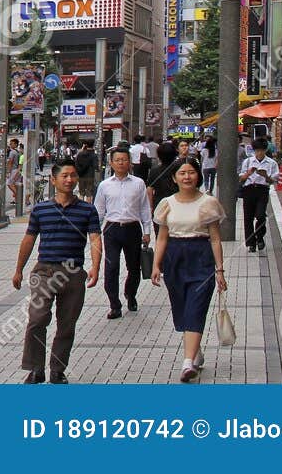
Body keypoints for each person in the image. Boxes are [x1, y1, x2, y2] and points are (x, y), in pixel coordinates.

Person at [12, 160, 101, 384]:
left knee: (67, 324)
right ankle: (35, 368)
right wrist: (18, 269)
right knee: (37, 319)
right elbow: (29, 238)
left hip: (73, 272)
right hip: (45, 271)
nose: (69, 180)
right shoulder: (41, 209)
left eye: (72, 175)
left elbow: (95, 240)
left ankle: (57, 370)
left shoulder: (87, 210)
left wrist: (96, 267)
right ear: (54, 180)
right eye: (64, 176)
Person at [151, 159, 228, 382]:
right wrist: (156, 265)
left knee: (197, 305)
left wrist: (220, 270)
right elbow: (162, 237)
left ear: (198, 175)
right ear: (174, 178)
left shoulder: (209, 203)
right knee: (182, 310)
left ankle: (187, 363)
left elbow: (215, 238)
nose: (187, 177)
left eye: (191, 172)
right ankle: (195, 351)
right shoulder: (166, 203)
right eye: (182, 173)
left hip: (201, 257)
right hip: (174, 258)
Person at [94, 145, 153, 319]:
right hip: (112, 228)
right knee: (111, 267)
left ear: (130, 163)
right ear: (111, 163)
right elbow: (99, 211)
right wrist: (94, 232)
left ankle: (130, 294)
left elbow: (144, 208)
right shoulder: (104, 186)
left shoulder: (138, 183)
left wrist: (147, 230)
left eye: (124, 160)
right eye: (117, 160)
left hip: (133, 228)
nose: (121, 163)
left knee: (134, 267)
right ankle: (114, 304)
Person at [238, 137, 280, 251]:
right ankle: (251, 243)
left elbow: (274, 181)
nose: (259, 153)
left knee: (261, 215)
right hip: (249, 189)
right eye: (257, 150)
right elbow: (241, 179)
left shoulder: (271, 163)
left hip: (262, 190)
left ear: (265, 150)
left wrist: (265, 176)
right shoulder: (248, 162)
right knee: (248, 217)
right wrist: (249, 173)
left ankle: (260, 237)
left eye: (261, 150)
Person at [147, 139, 184, 229]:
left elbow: (150, 189)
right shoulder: (180, 169)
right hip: (179, 203)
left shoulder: (154, 171)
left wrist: (151, 207)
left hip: (159, 204)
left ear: (159, 156)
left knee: (160, 232)